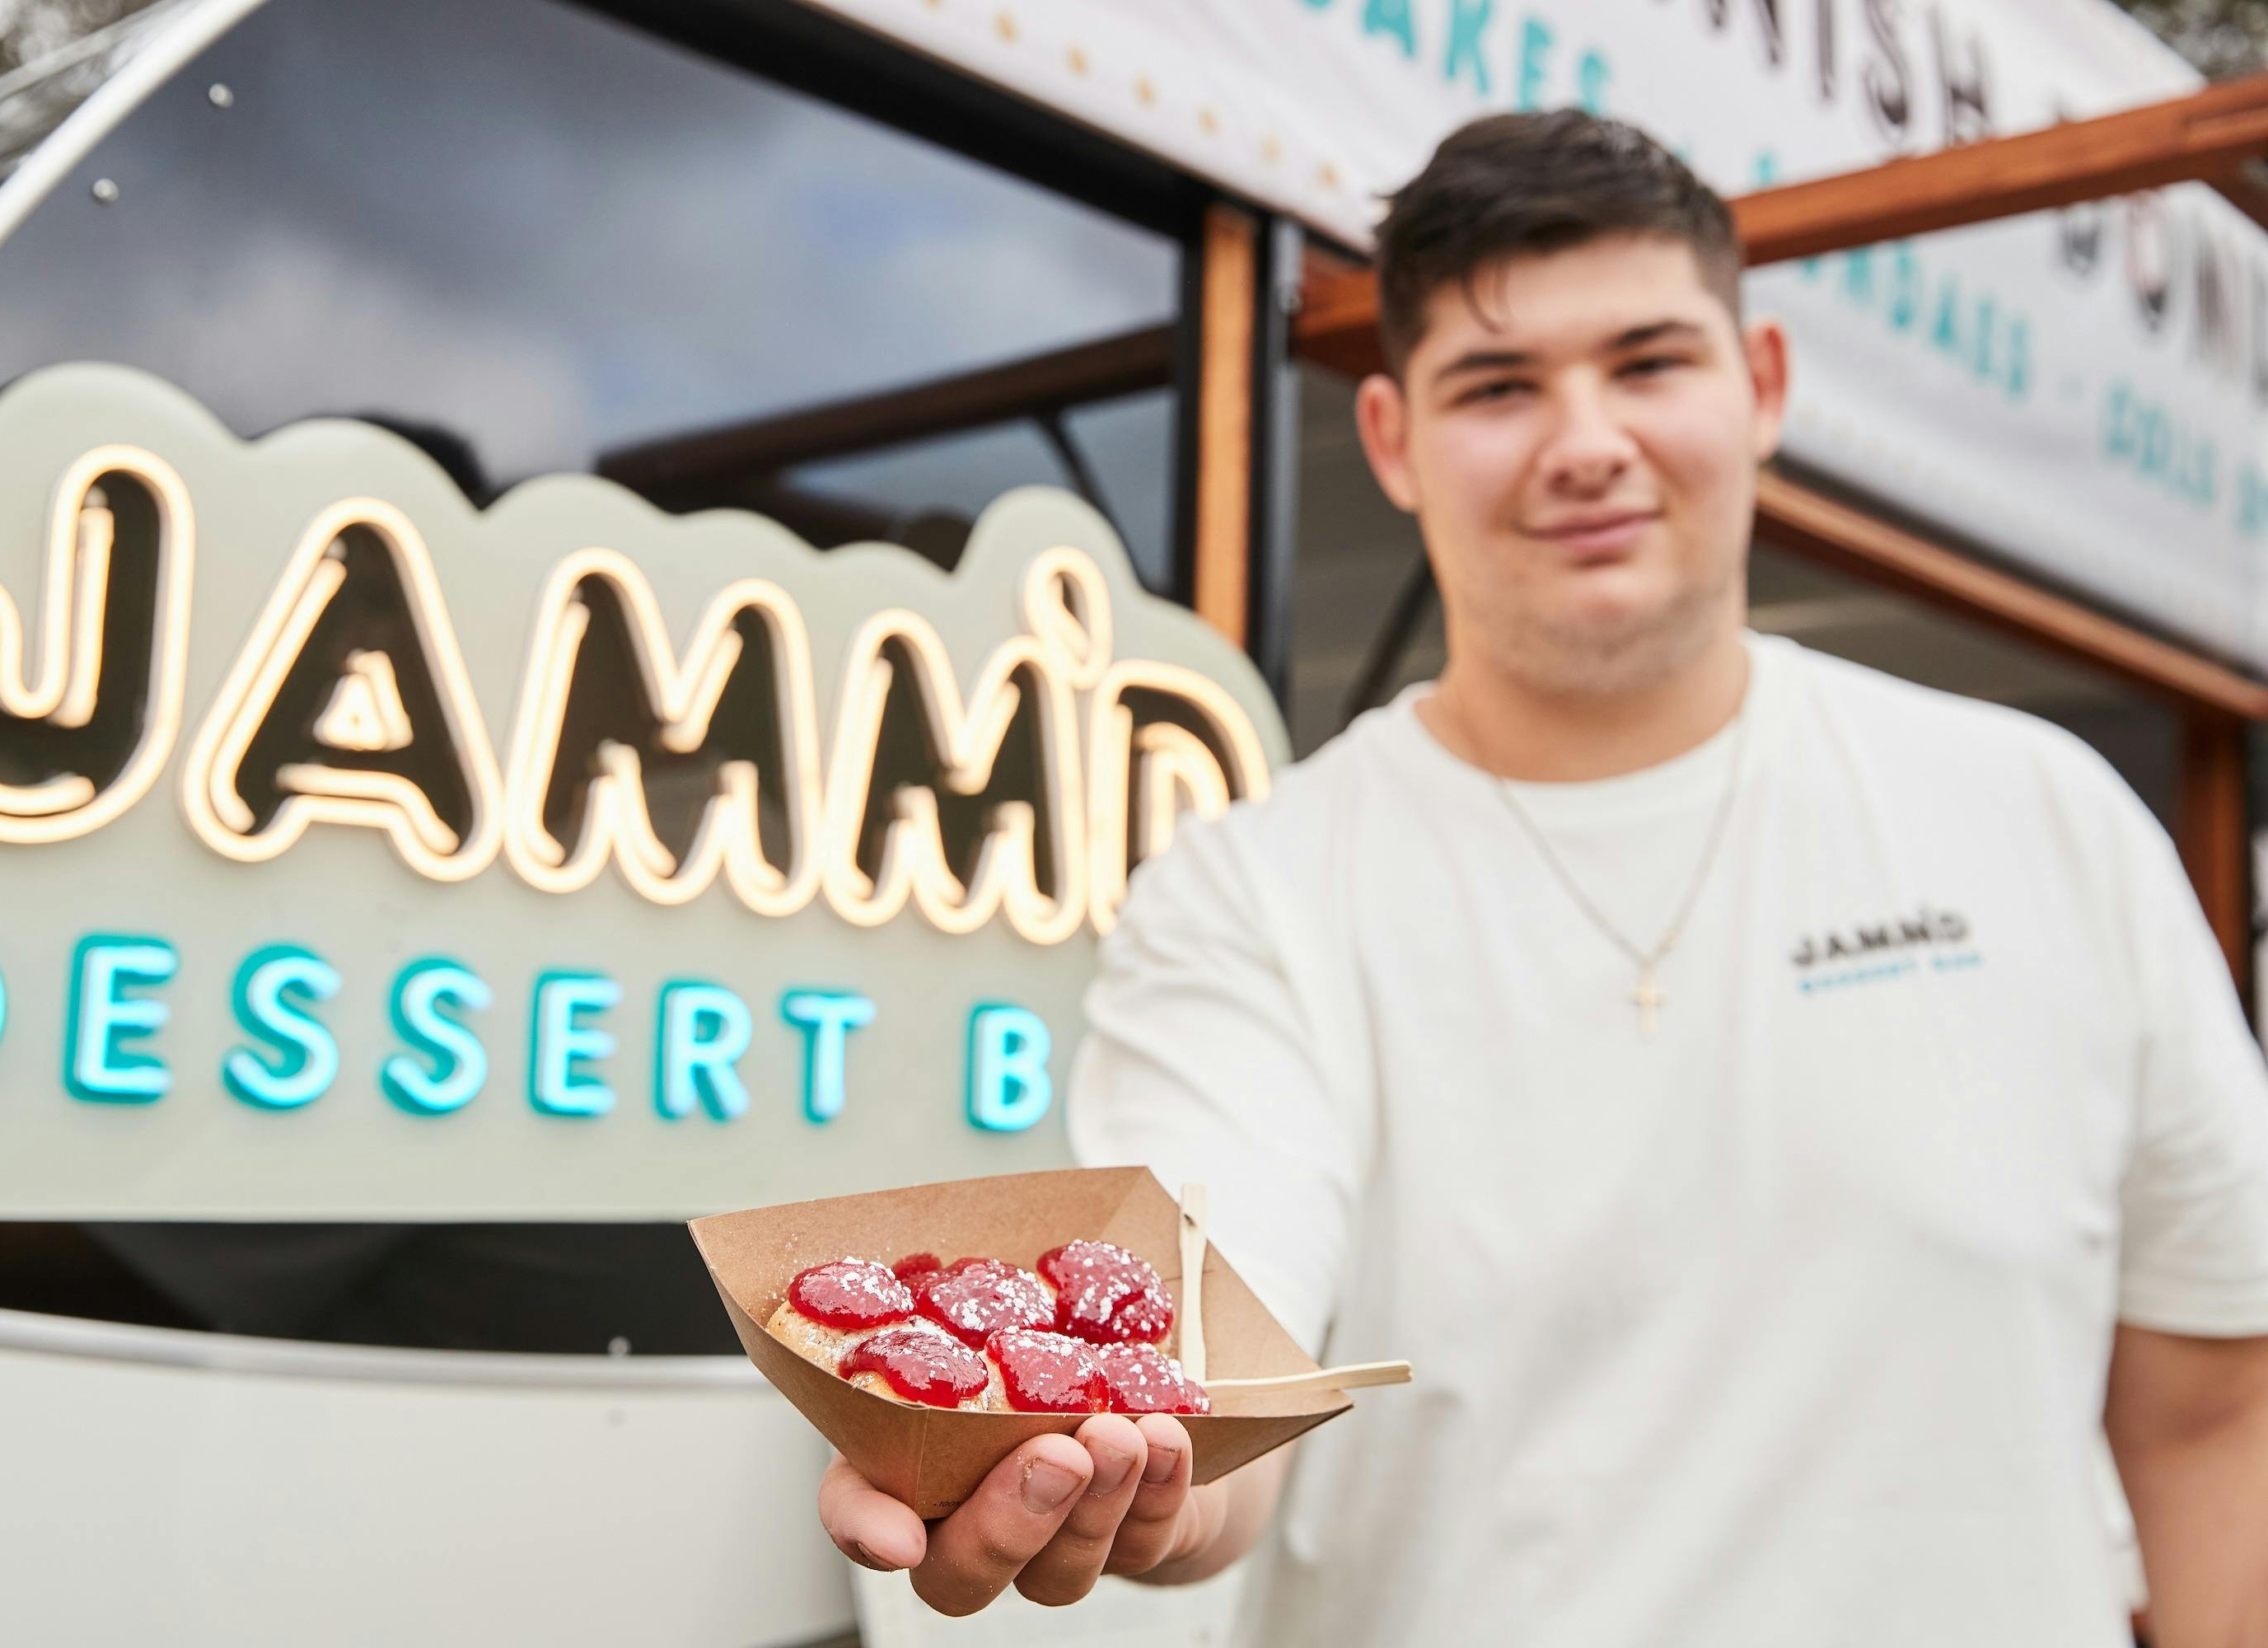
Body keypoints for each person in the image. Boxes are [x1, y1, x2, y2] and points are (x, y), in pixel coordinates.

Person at [817, 110, 2268, 1643]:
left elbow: (2210, 1405)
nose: (1586, 443)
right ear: (1392, 439)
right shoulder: (1258, 891)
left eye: (1649, 363)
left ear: (1760, 385)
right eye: (1499, 386)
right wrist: (1116, 1453)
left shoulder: (2044, 818)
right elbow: (1215, 1333)